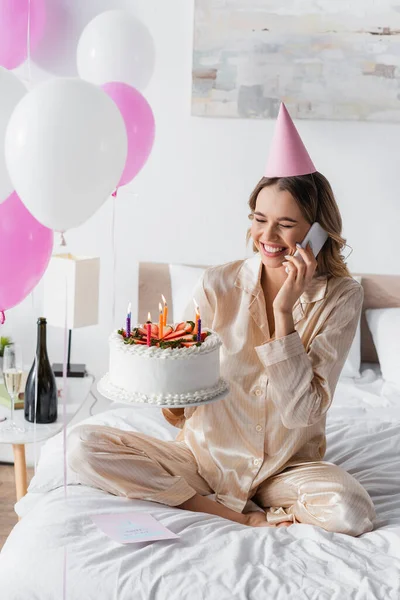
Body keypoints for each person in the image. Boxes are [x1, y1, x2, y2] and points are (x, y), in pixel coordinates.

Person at [67, 103, 376, 535]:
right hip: (204, 458)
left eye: (286, 224)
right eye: (259, 219)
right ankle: (231, 515)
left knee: (351, 510)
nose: (267, 237)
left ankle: (257, 505)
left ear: (316, 230)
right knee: (82, 447)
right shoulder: (217, 284)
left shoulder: (342, 297)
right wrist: (164, 383)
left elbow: (303, 412)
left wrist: (284, 313)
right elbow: (183, 400)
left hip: (284, 470)